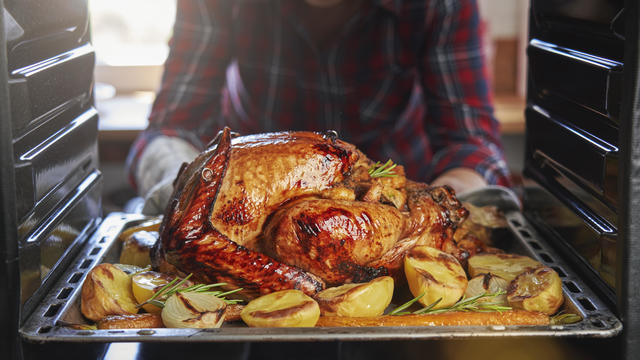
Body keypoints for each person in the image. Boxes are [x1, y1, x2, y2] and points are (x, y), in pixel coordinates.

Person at [127, 0, 510, 215]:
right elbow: (172, 129)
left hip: (397, 206)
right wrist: (184, 191)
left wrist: (441, 210)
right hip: (242, 204)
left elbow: (470, 144)